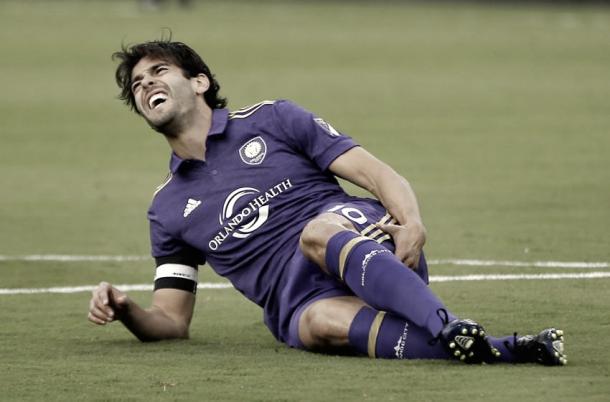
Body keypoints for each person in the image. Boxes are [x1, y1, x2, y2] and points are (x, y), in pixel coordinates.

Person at [87, 39, 566, 365]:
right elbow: (171, 321)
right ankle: (505, 349)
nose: (146, 84)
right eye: (137, 84)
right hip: (303, 300)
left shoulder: (272, 119)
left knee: (316, 232)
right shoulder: (166, 208)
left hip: (368, 245)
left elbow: (377, 174)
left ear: (199, 83)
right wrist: (127, 309)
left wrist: (413, 221)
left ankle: (445, 320)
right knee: (317, 323)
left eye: (158, 72)